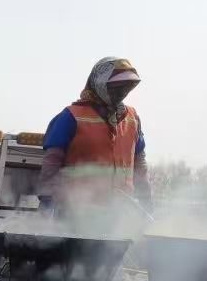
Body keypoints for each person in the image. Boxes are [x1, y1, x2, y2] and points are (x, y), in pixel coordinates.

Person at [39, 57, 151, 218]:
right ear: (99, 83)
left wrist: (147, 203)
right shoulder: (70, 117)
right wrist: (47, 204)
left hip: (120, 217)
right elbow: (51, 164)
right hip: (75, 214)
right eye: (115, 87)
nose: (121, 93)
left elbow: (140, 166)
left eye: (125, 88)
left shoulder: (132, 118)